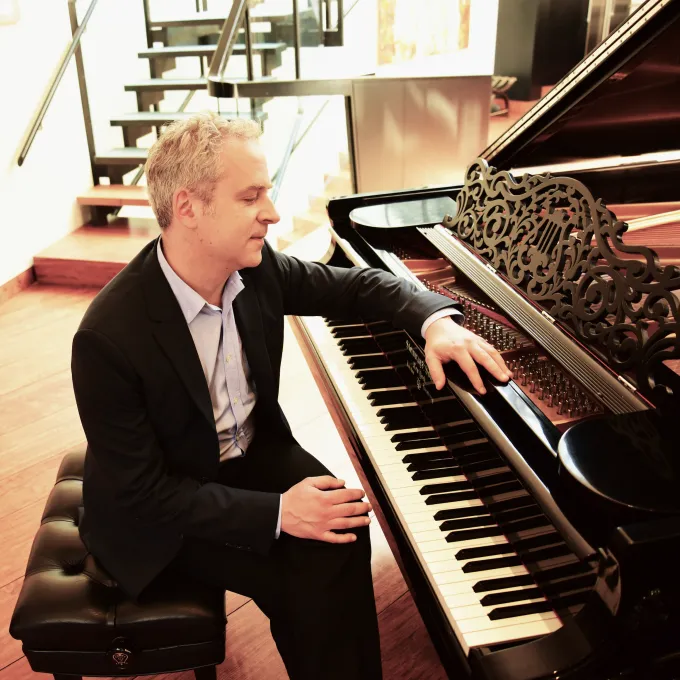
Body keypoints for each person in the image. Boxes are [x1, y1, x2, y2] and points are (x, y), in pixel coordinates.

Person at [71, 112, 511, 680]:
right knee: (303, 576)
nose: (272, 213)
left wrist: (436, 322)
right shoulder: (107, 337)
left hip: (249, 454)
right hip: (161, 511)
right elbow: (145, 494)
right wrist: (279, 512)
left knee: (343, 530)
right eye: (250, 196)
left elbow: (356, 287)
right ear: (188, 208)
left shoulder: (256, 272)